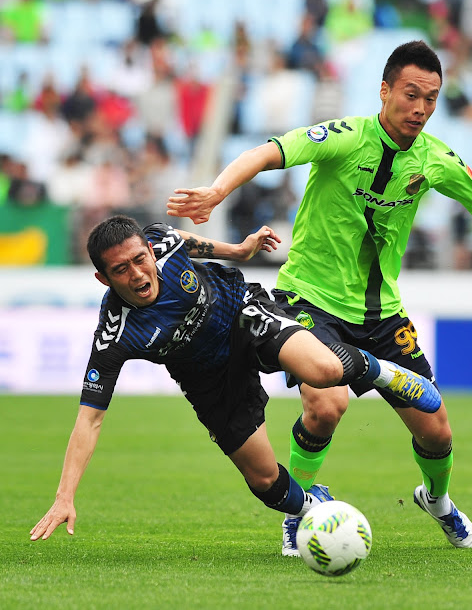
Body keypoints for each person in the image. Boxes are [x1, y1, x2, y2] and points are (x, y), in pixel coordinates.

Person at [166, 40, 472, 555]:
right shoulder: (346, 137)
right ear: (385, 90)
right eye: (411, 94)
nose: (420, 108)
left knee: (437, 430)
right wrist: (217, 192)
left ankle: (437, 501)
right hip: (309, 300)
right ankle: (298, 510)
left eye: (432, 99)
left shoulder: (435, 158)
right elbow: (268, 152)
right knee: (326, 405)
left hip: (383, 316)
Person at [30, 215, 439, 542]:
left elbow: (186, 241)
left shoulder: (161, 243)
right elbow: (90, 419)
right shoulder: (114, 334)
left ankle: (385, 373)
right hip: (207, 377)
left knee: (328, 371)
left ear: (149, 251)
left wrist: (238, 250)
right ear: (104, 279)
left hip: (241, 313)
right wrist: (64, 496)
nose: (138, 275)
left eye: (140, 259)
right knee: (264, 481)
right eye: (121, 270)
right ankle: (314, 510)